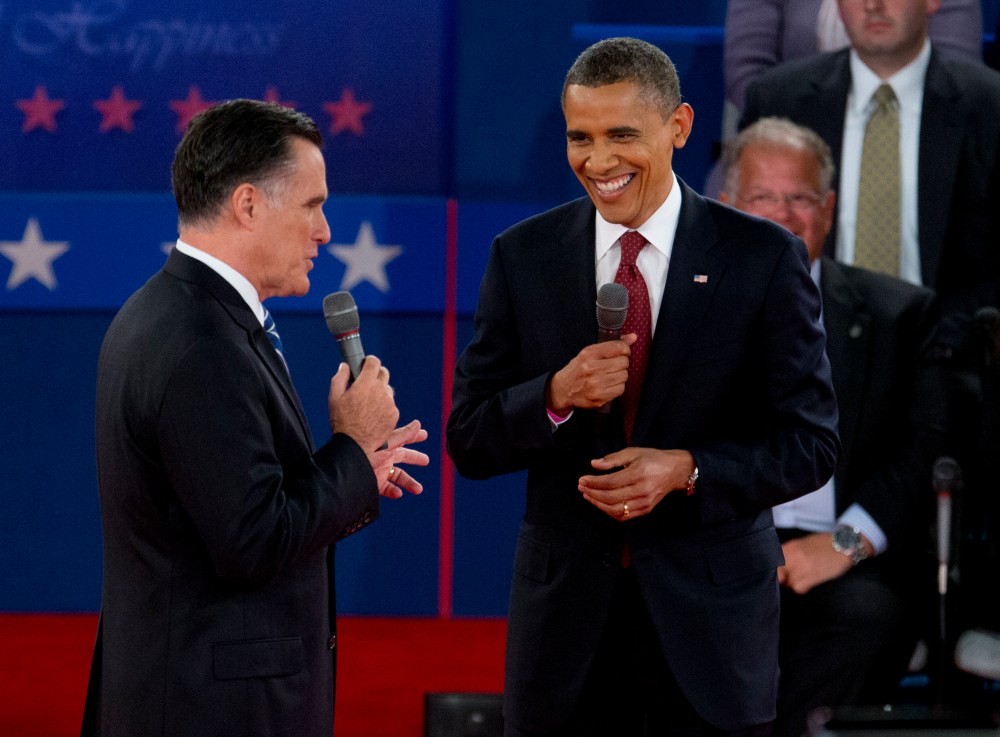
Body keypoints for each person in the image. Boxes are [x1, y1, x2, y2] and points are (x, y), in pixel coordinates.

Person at [447, 37, 840, 737]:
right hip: (566, 635)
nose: (598, 161)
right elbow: (470, 437)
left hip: (711, 635)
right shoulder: (523, 256)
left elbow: (810, 443)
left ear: (679, 127)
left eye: (622, 134)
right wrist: (555, 394)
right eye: (581, 137)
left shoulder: (761, 257)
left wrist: (687, 469)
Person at [80, 99, 429, 737]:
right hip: (211, 710)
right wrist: (351, 447)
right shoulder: (201, 344)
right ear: (248, 204)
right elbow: (253, 542)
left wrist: (357, 472)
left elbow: (235, 510)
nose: (325, 231)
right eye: (312, 206)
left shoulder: (171, 313)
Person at [719, 116, 947, 737]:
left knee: (871, 618)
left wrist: (844, 545)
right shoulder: (684, 311)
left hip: (844, 559)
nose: (784, 215)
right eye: (764, 197)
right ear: (728, 206)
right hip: (722, 552)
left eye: (799, 198)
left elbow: (922, 452)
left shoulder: (898, 314)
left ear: (828, 207)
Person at [739, 0, 1000, 316]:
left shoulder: (989, 105)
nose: (873, 5)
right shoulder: (779, 100)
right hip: (811, 340)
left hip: (950, 346)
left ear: (933, 2)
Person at [704, 0, 982, 196]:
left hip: (917, 130)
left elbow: (955, 81)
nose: (873, 5)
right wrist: (828, 137)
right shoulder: (779, 93)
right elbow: (749, 76)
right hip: (792, 134)